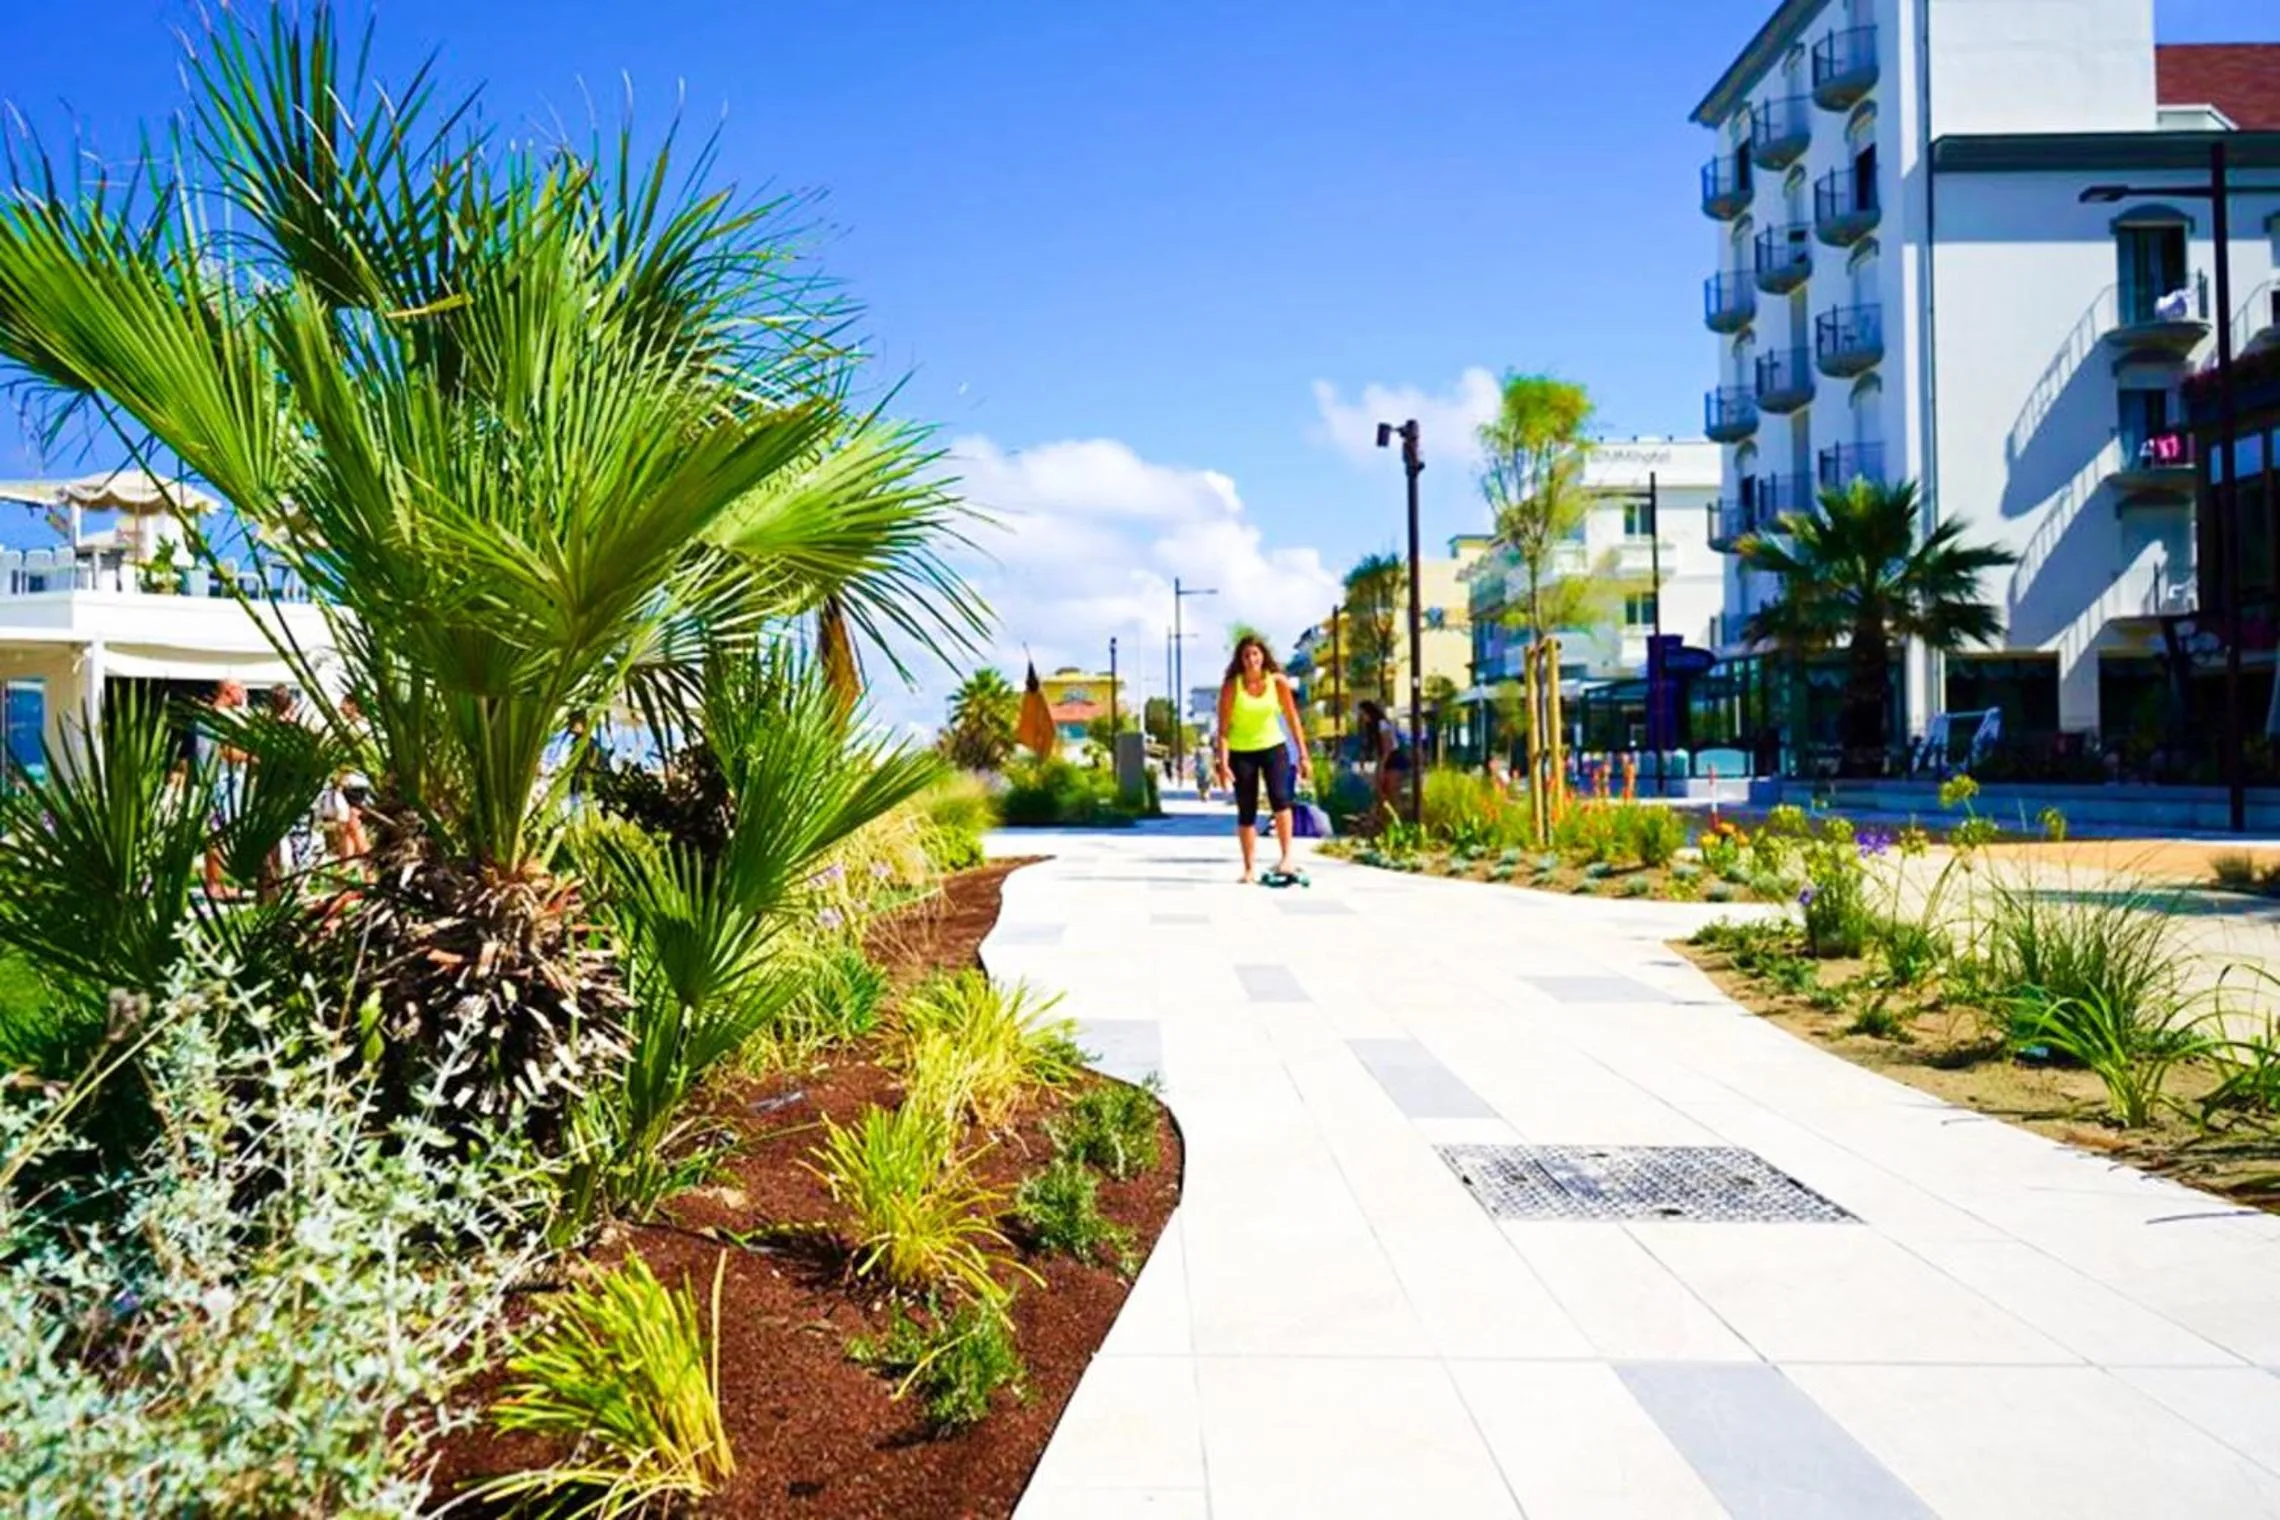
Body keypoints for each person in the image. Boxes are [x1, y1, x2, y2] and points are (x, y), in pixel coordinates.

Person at [1212, 635, 1312, 883]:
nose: (1251, 659)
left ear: (1263, 656)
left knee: (1281, 798)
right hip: (1241, 751)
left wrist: (1303, 755)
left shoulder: (1277, 682)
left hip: (1273, 747)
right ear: (1240, 660)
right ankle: (1248, 869)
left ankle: (1287, 857)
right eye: (1246, 655)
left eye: (1255, 654)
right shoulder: (1231, 687)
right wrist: (1223, 764)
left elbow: (1292, 719)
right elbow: (1223, 730)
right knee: (1247, 810)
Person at [1356, 699, 1411, 827]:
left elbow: (1389, 745)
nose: (1361, 717)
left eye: (1362, 713)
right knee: (1380, 792)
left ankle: (1397, 823)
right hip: (1384, 759)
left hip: (1393, 759)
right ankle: (1382, 821)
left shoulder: (1382, 724)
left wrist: (1381, 765)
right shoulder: (1371, 729)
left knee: (1391, 793)